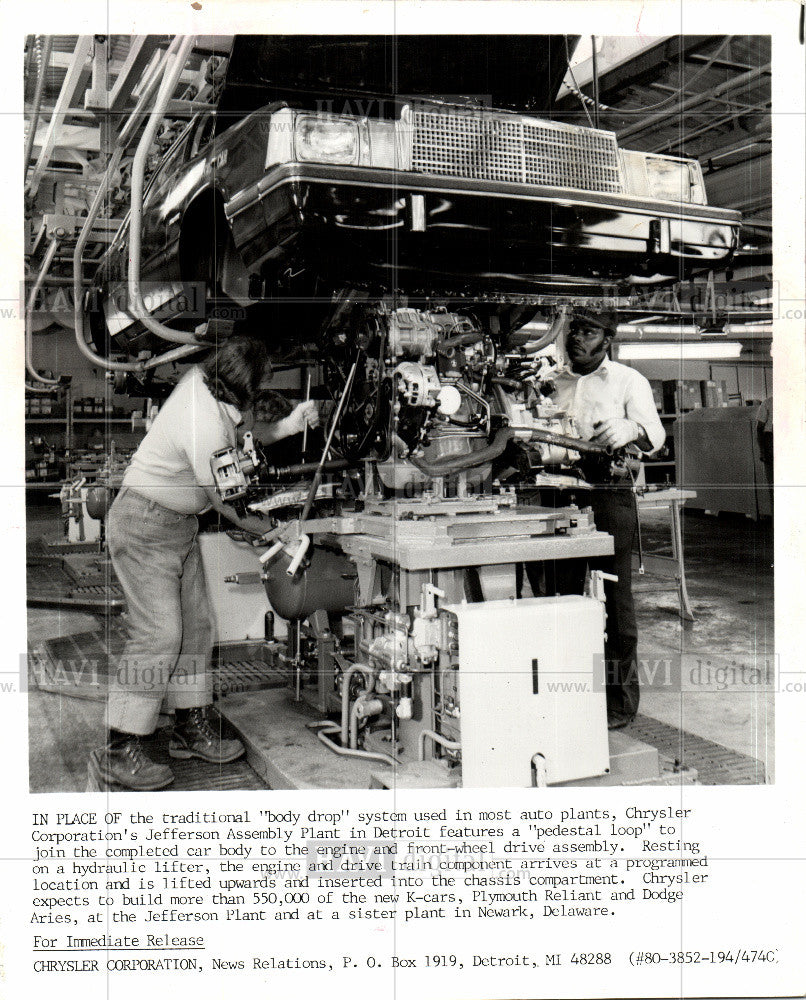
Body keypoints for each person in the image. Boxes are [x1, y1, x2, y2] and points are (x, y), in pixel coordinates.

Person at [91, 336, 319, 789]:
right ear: (241, 389)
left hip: (177, 524)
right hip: (143, 524)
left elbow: (243, 438)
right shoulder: (204, 425)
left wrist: (290, 425)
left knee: (197, 628)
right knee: (159, 633)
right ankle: (119, 747)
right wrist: (275, 528)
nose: (255, 402)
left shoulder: (203, 383)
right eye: (256, 391)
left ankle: (188, 725)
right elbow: (230, 503)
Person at [548, 308, 665, 729]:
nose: (577, 336)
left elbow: (656, 435)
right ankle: (567, 695)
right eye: (572, 329)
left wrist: (631, 429)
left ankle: (619, 703)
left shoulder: (627, 381)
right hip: (554, 494)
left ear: (608, 339)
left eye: (588, 330)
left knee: (614, 602)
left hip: (608, 495)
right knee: (556, 597)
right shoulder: (551, 381)